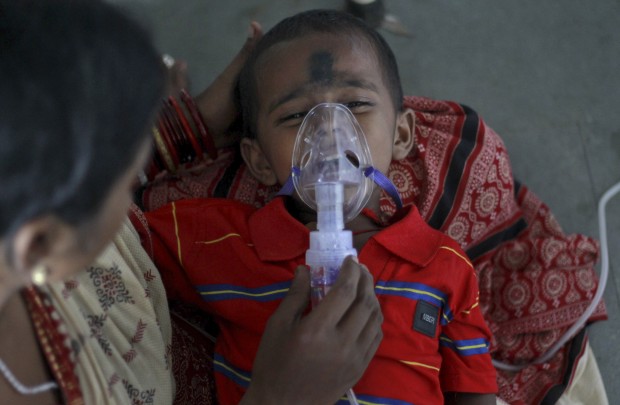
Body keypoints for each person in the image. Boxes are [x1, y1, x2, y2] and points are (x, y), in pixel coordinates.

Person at [0, 1, 383, 404]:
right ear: (42, 246)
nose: (330, 138)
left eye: (355, 105)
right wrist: (279, 396)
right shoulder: (205, 236)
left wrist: (188, 123)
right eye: (126, 181)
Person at [144, 9, 498, 404]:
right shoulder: (217, 242)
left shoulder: (443, 264)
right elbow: (96, 221)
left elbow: (475, 391)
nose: (330, 131)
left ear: (401, 134)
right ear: (259, 160)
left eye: (357, 104)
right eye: (296, 115)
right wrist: (184, 126)